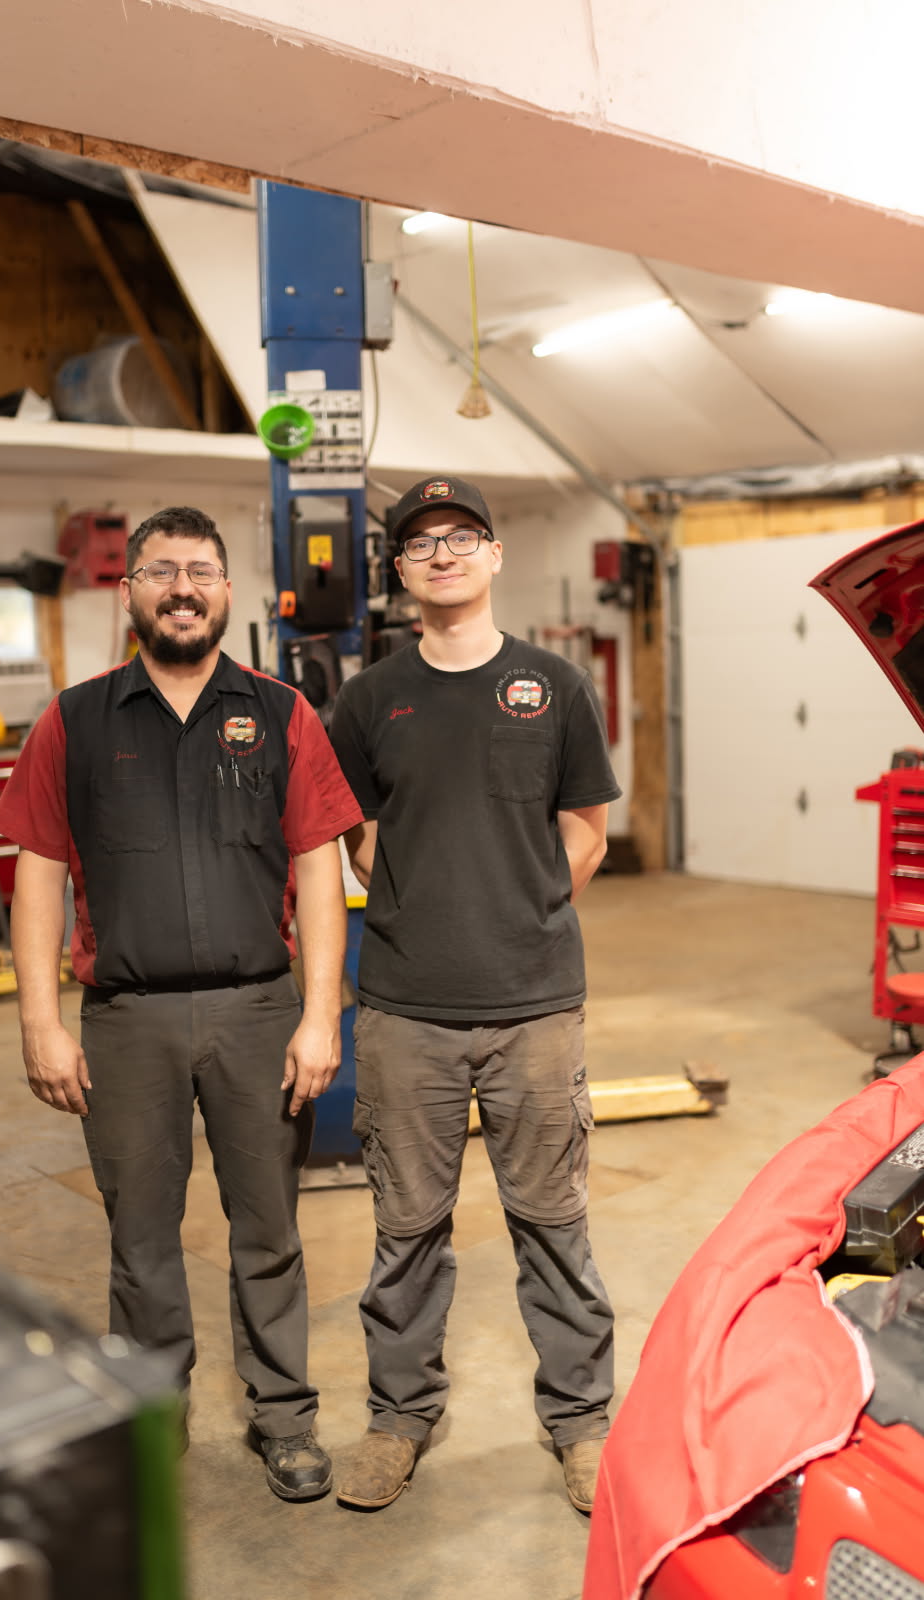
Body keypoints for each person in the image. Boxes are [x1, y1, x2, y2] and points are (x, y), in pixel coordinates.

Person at [0, 505, 362, 1502]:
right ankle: (155, 1411)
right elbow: (38, 874)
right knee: (141, 1236)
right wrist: (39, 1022)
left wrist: (320, 1014)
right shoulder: (74, 720)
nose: (182, 589)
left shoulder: (282, 713)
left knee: (269, 1230)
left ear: (228, 591)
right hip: (128, 1021)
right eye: (161, 571)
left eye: (200, 571)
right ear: (131, 591)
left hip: (258, 1013)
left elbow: (318, 869)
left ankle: (284, 1417)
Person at [329, 476, 619, 1514]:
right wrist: (421, 904)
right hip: (405, 1007)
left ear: (495, 554)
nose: (443, 554)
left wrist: (523, 910)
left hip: (536, 1005)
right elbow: (356, 836)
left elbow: (586, 829)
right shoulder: (369, 699)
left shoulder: (555, 686)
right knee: (407, 1228)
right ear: (400, 571)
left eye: (462, 537)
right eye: (421, 544)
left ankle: (581, 1423)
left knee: (552, 1221)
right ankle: (399, 1419)